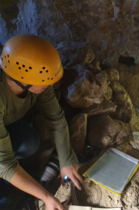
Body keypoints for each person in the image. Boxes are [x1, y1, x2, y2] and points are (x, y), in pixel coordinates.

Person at [0, 34, 83, 210]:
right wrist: (46, 197)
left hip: (6, 125)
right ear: (22, 80)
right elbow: (5, 164)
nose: (51, 84)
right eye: (46, 81)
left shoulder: (38, 85)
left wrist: (66, 159)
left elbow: (57, 119)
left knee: (29, 142)